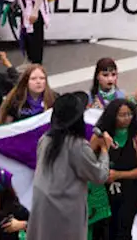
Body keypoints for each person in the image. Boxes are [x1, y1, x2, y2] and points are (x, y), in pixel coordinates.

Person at [27, 91, 113, 240]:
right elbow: (100, 176)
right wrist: (105, 150)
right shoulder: (78, 145)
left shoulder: (45, 140)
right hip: (65, 210)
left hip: (42, 206)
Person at [89, 98, 137, 240]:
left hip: (128, 192)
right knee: (103, 232)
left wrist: (119, 175)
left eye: (129, 114)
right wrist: (104, 147)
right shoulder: (100, 136)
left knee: (123, 231)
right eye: (122, 115)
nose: (127, 118)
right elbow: (87, 162)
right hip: (103, 194)